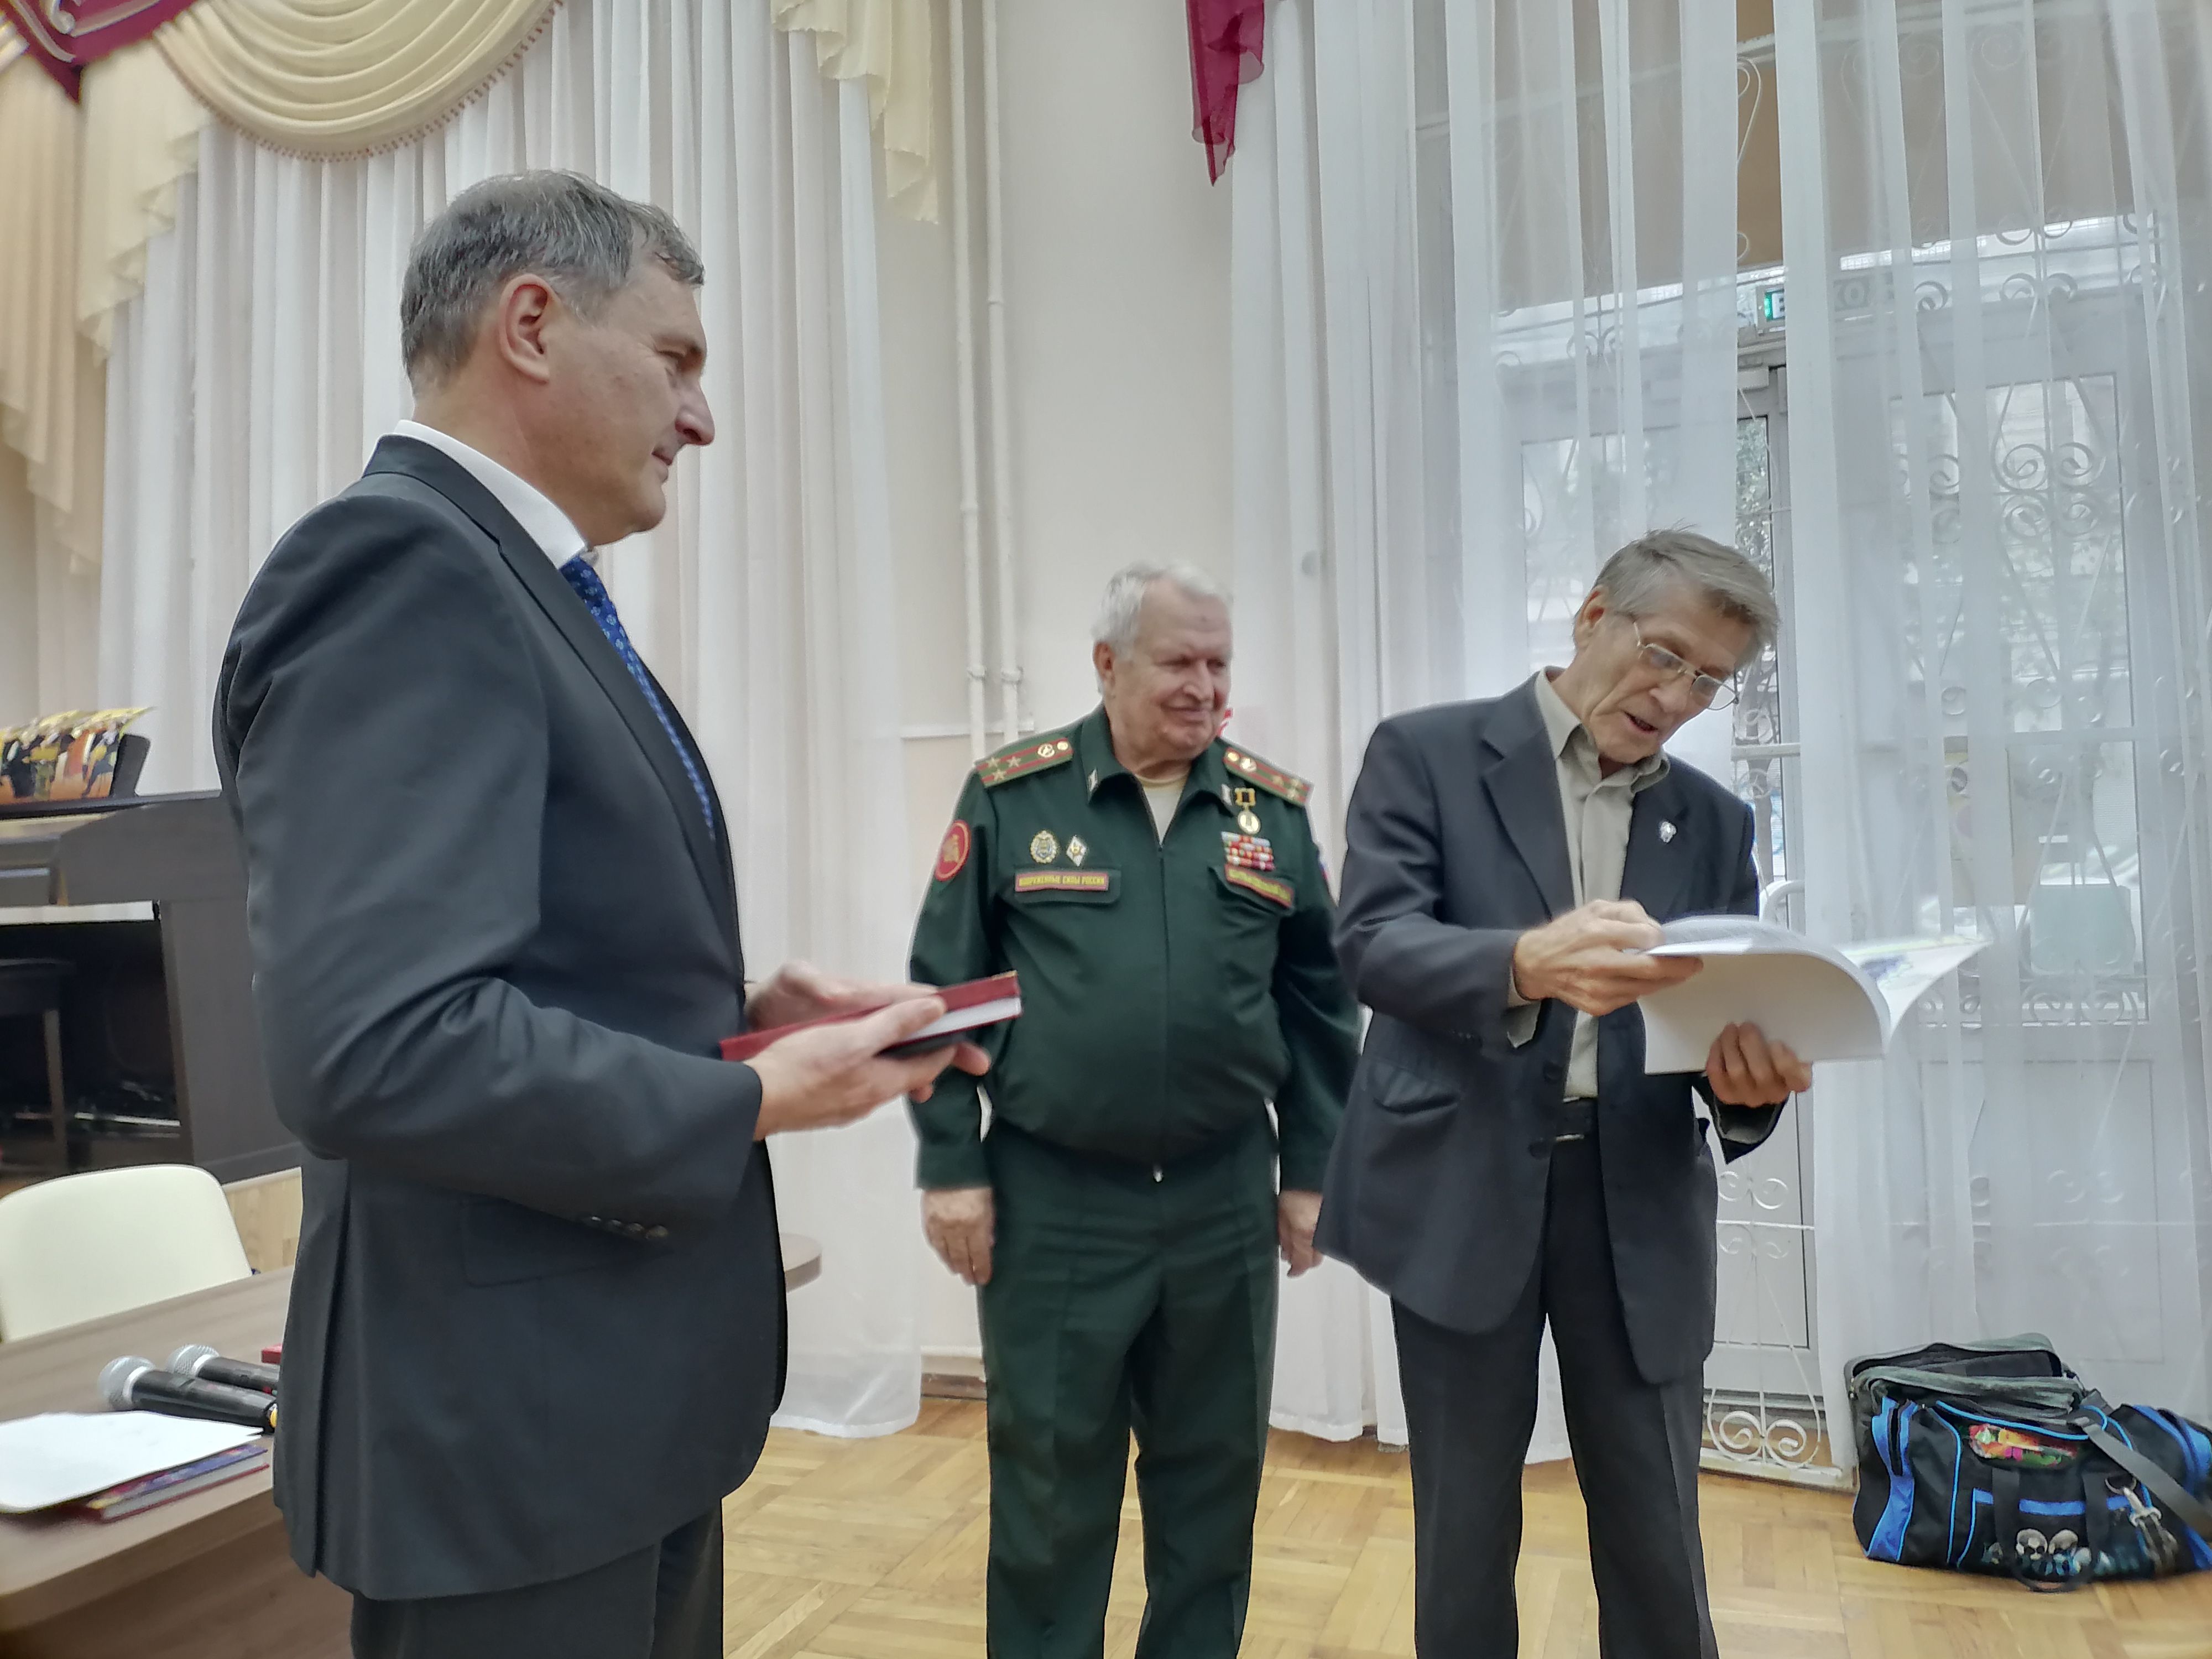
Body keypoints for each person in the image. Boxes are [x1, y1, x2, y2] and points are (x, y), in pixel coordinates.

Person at [213, 171, 983, 1659]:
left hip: (598, 1415)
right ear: (531, 325)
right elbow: (376, 1047)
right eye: (677, 359)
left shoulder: (514, 582)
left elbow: (527, 962)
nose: (702, 417)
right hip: (506, 1437)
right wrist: (748, 1096)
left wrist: (740, 1021)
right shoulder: (400, 567)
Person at [1318, 530, 1814, 1659]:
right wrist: (1520, 963)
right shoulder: (1427, 754)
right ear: (1593, 616)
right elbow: (1373, 944)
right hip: (1459, 1184)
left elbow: (1719, 1014)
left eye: (1708, 681)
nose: (1676, 697)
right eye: (1664, 655)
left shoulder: (1714, 821)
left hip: (1635, 1197)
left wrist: (1751, 1085)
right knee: (1463, 1526)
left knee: (1655, 1529)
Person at [909, 562, 1360, 1659]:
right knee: (1049, 1492)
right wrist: (950, 1165)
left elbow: (1318, 1006)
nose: (1205, 687)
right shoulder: (1013, 797)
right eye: (1179, 662)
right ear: (1107, 665)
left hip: (1220, 1195)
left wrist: (1311, 1171)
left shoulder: (1269, 811)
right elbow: (942, 997)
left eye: (1219, 663)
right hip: (1053, 1195)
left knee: (1213, 1485)